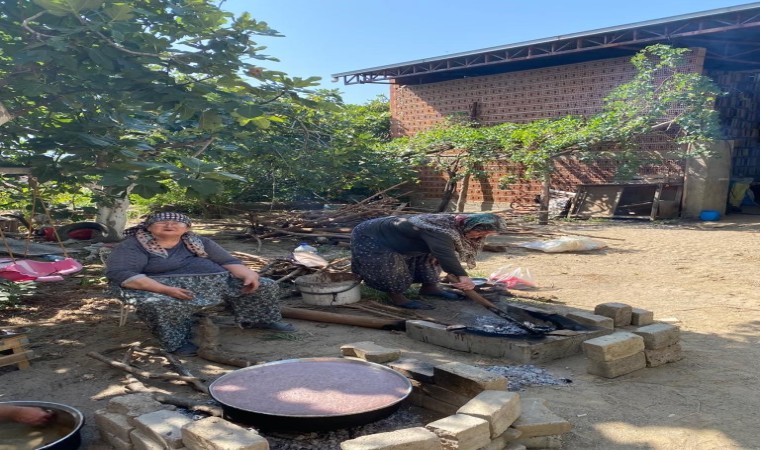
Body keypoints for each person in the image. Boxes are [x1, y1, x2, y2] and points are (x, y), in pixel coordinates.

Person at [106, 212, 294, 356]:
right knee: (163, 303)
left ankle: (259, 320)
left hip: (214, 284)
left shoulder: (198, 241)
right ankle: (177, 343)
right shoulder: (133, 245)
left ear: (186, 228)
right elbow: (122, 274)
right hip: (155, 287)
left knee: (265, 284)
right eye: (162, 222)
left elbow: (228, 261)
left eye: (176, 222)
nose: (169, 225)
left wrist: (249, 275)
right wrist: (165, 290)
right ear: (149, 227)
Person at [350, 213, 507, 310]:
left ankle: (430, 288)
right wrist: (463, 277)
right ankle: (397, 297)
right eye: (479, 231)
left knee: (431, 257)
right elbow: (445, 252)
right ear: (472, 225)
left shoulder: (460, 223)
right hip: (371, 235)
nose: (480, 236)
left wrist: (437, 253)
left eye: (486, 234)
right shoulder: (440, 229)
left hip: (405, 237)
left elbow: (443, 249)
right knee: (388, 261)